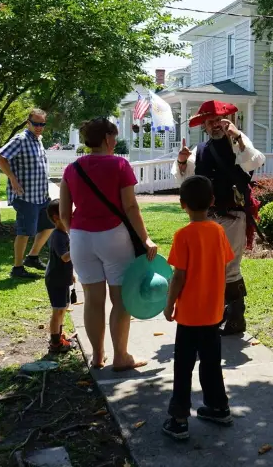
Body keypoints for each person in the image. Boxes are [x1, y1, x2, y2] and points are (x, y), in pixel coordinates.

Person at [59, 117, 158, 371]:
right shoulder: (120, 165)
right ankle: (121, 357)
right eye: (113, 136)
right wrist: (145, 238)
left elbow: (63, 214)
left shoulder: (72, 169)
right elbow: (130, 206)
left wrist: (75, 235)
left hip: (81, 238)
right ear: (106, 138)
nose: (115, 141)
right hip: (113, 237)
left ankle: (97, 356)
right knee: (120, 300)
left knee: (92, 300)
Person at [171, 100, 265, 336]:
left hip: (233, 215)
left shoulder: (238, 142)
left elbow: (255, 161)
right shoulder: (198, 150)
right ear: (203, 125)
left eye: (219, 121)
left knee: (230, 267)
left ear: (228, 121)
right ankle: (220, 312)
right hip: (207, 218)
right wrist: (182, 162)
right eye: (210, 121)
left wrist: (238, 137)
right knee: (211, 267)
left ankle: (236, 317)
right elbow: (185, 180)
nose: (215, 125)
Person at [162, 175, 235, 441]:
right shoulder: (218, 231)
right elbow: (225, 263)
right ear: (212, 201)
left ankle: (179, 419)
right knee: (211, 363)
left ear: (182, 204)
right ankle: (218, 406)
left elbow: (178, 276)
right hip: (213, 313)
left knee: (183, 367)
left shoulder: (183, 235)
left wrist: (169, 303)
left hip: (190, 316)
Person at [0, 108, 55, 279]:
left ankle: (33, 257)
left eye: (42, 124)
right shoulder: (20, 139)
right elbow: (0, 156)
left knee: (50, 225)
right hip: (25, 196)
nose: (39, 127)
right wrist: (12, 179)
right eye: (36, 123)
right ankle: (17, 268)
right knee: (25, 232)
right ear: (28, 123)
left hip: (41, 196)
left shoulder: (38, 140)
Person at [45, 199, 74, 355]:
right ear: (56, 217)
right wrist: (78, 246)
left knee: (63, 308)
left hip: (62, 278)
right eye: (67, 213)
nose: (71, 215)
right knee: (57, 311)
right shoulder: (57, 236)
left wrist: (71, 275)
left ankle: (59, 336)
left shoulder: (64, 234)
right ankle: (55, 343)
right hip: (56, 279)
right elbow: (64, 257)